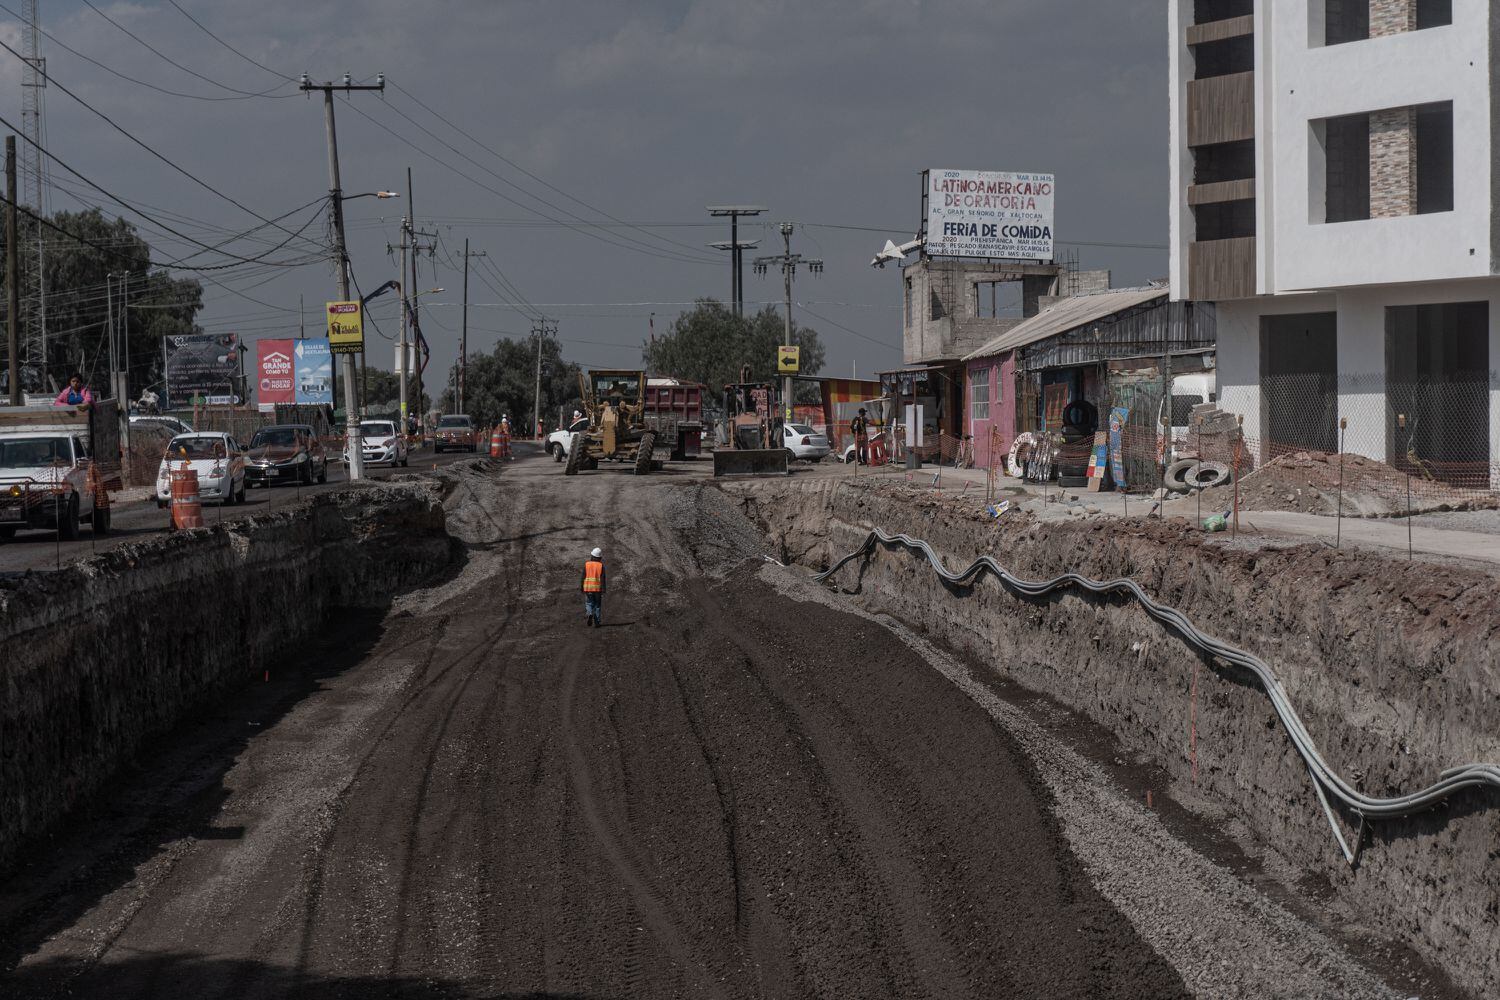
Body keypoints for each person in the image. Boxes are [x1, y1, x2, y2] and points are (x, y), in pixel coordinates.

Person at [581, 546, 606, 627]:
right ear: (600, 557)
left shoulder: (586, 564)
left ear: (592, 556)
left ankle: (590, 613)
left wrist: (581, 587)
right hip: (597, 589)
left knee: (589, 603)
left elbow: (583, 576)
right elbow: (603, 579)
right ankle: (597, 622)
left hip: (588, 588)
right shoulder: (601, 566)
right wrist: (604, 589)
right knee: (597, 605)